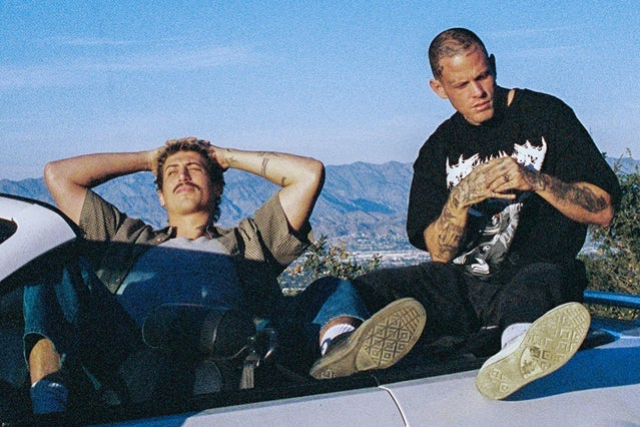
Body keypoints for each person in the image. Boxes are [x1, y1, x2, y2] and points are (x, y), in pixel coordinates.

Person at [24, 138, 426, 422]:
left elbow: (308, 174)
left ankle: (340, 350)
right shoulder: (127, 239)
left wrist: (224, 156)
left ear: (217, 187)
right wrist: (149, 158)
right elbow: (58, 175)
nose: (182, 175)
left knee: (328, 286)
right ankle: (49, 394)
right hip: (131, 356)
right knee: (50, 266)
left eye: (195, 169)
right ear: (160, 194)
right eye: (171, 173)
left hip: (228, 357)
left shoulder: (246, 244)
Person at [347, 28, 622, 400]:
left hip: (538, 278)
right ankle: (341, 344)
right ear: (438, 88)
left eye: (483, 76)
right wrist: (460, 200)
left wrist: (535, 180)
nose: (477, 91)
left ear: (492, 65)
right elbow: (439, 253)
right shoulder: (437, 148)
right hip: (464, 287)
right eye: (461, 85)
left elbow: (603, 209)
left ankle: (518, 352)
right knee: (357, 288)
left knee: (538, 280)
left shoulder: (546, 115)